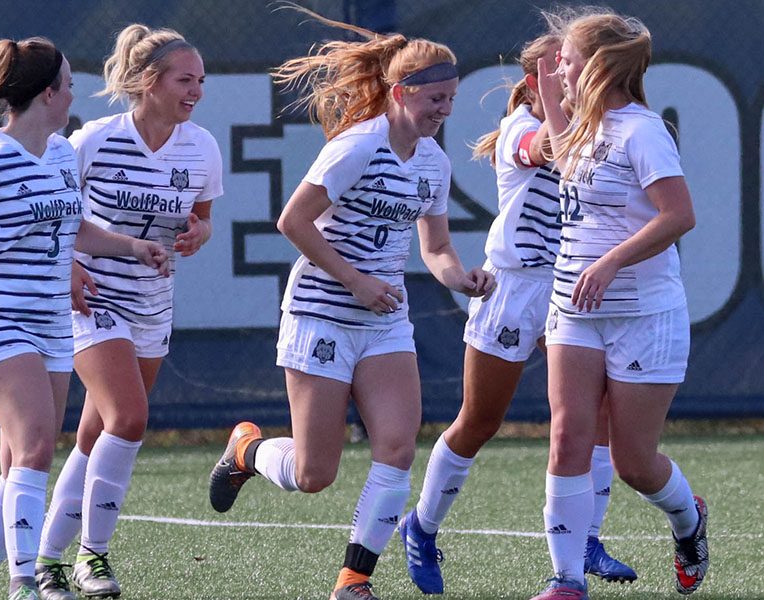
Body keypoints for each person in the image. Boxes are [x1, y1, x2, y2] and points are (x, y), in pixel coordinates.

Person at [207, 7, 495, 600]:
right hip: (321, 311)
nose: (443, 109)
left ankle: (353, 580)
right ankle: (248, 449)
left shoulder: (433, 164)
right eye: (434, 98)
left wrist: (460, 277)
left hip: (384, 322)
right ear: (399, 92)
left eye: (450, 98)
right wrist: (357, 280)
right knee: (314, 475)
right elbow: (293, 221)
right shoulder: (357, 147)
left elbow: (435, 246)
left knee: (396, 446)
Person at [0, 38, 168, 600]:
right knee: (33, 447)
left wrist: (132, 247)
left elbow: (77, 230)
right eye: (70, 83)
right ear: (48, 93)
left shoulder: (57, 154)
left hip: (53, 323)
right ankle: (24, 583)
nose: (75, 93)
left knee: (20, 459)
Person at [397, 34, 635, 595]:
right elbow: (550, 147)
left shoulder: (602, 126)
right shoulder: (520, 130)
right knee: (480, 420)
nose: (572, 76)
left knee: (591, 419)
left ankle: (585, 540)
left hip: (571, 289)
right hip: (516, 289)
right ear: (534, 83)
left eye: (575, 66)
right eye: (559, 69)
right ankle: (421, 527)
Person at [34, 24, 222, 600]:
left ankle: (46, 563)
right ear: (147, 81)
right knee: (130, 418)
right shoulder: (93, 139)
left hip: (152, 302)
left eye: (201, 81)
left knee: (95, 435)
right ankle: (94, 556)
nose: (196, 92)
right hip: (93, 299)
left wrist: (197, 233)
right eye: (184, 80)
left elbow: (202, 218)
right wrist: (66, 267)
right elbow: (52, 213)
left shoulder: (201, 146)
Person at [528, 8, 708, 599]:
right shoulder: (583, 123)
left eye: (568, 59)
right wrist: (551, 94)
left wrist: (609, 262)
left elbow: (679, 215)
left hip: (643, 313)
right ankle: (566, 580)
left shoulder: (641, 130)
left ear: (598, 66)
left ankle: (689, 520)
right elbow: (567, 155)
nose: (560, 64)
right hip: (574, 307)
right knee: (566, 437)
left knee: (634, 462)